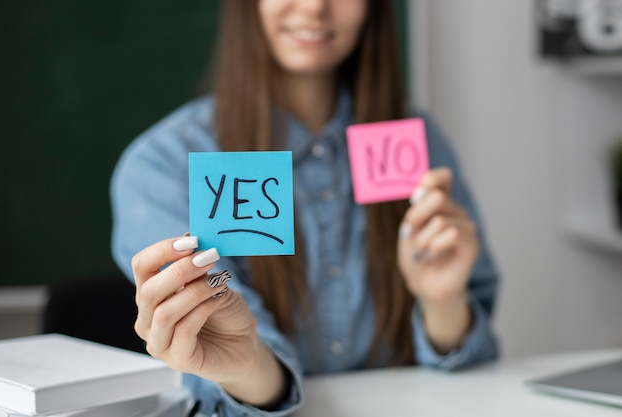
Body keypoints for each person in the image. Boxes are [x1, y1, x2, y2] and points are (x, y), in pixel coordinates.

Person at [110, 1, 500, 415]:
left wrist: (442, 301)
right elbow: (226, 355)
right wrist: (244, 363)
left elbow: (473, 374)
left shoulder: (418, 141)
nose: (315, 6)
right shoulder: (165, 165)